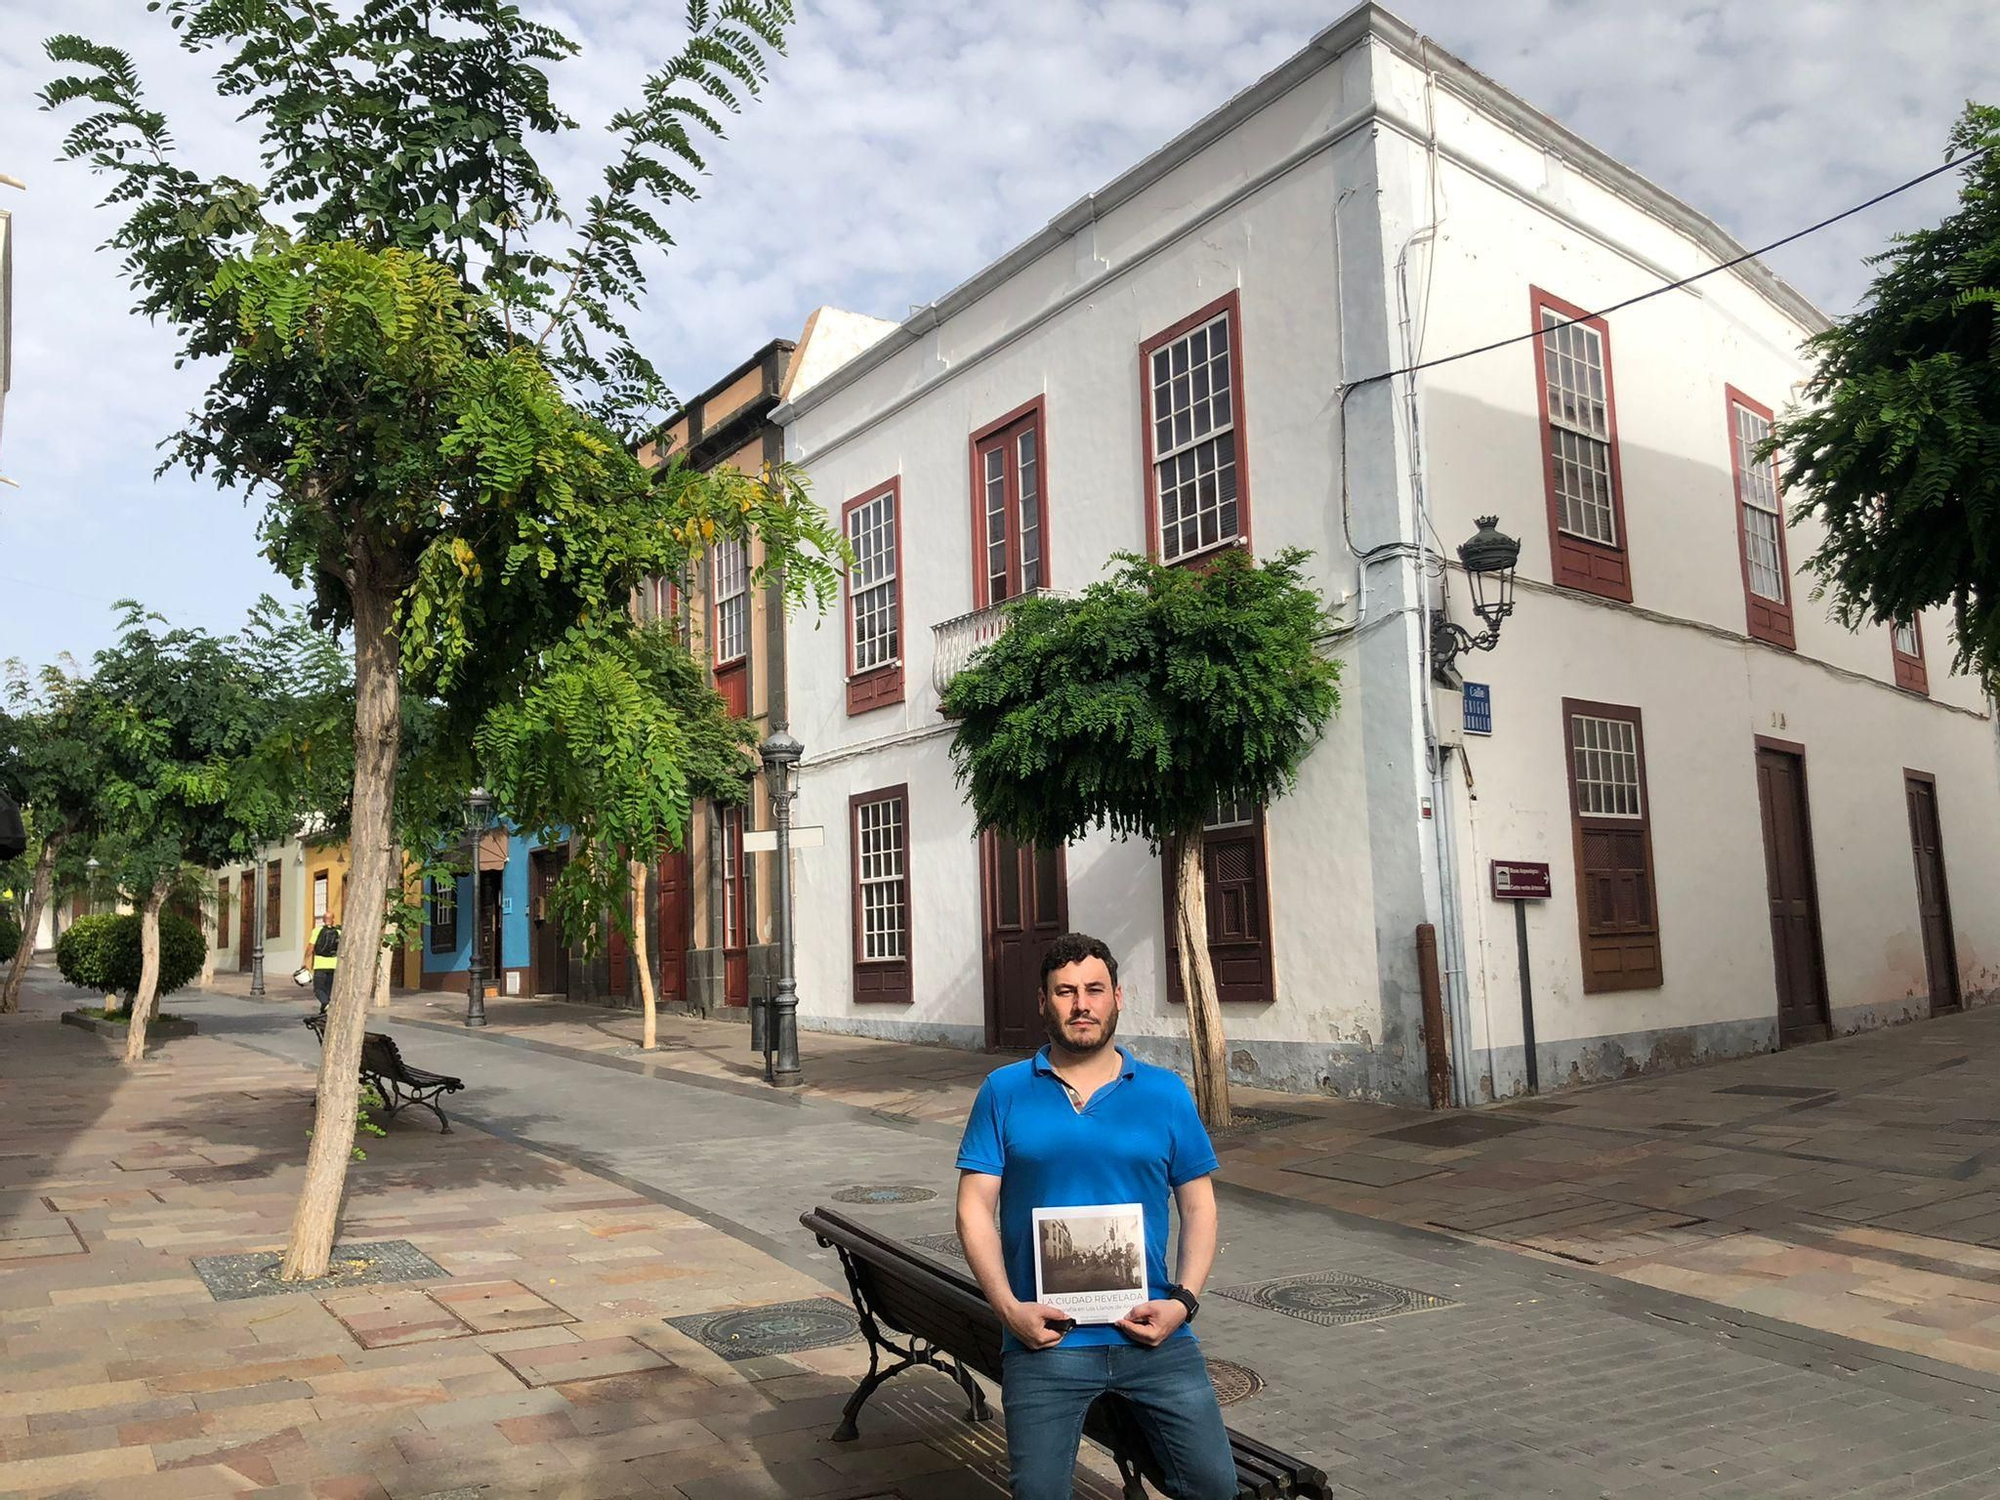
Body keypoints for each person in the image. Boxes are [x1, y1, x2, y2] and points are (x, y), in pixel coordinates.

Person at [956, 931, 1235, 1500]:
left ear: (1116, 997)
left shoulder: (1164, 1092)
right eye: (1064, 991)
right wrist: (1009, 1309)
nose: (1081, 1004)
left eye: (1093, 989)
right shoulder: (1003, 1091)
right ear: (1043, 1002)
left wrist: (1183, 1301)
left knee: (1214, 1486)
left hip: (1151, 1333)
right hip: (1047, 1340)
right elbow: (974, 1207)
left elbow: (1199, 1204)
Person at [304, 917, 339, 1013]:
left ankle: (325, 1004)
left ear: (323, 920)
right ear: (333, 920)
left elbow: (311, 946)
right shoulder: (338, 932)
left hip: (320, 965)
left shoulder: (317, 931)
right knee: (328, 989)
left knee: (318, 989)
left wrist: (305, 961)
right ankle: (325, 1010)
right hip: (333, 965)